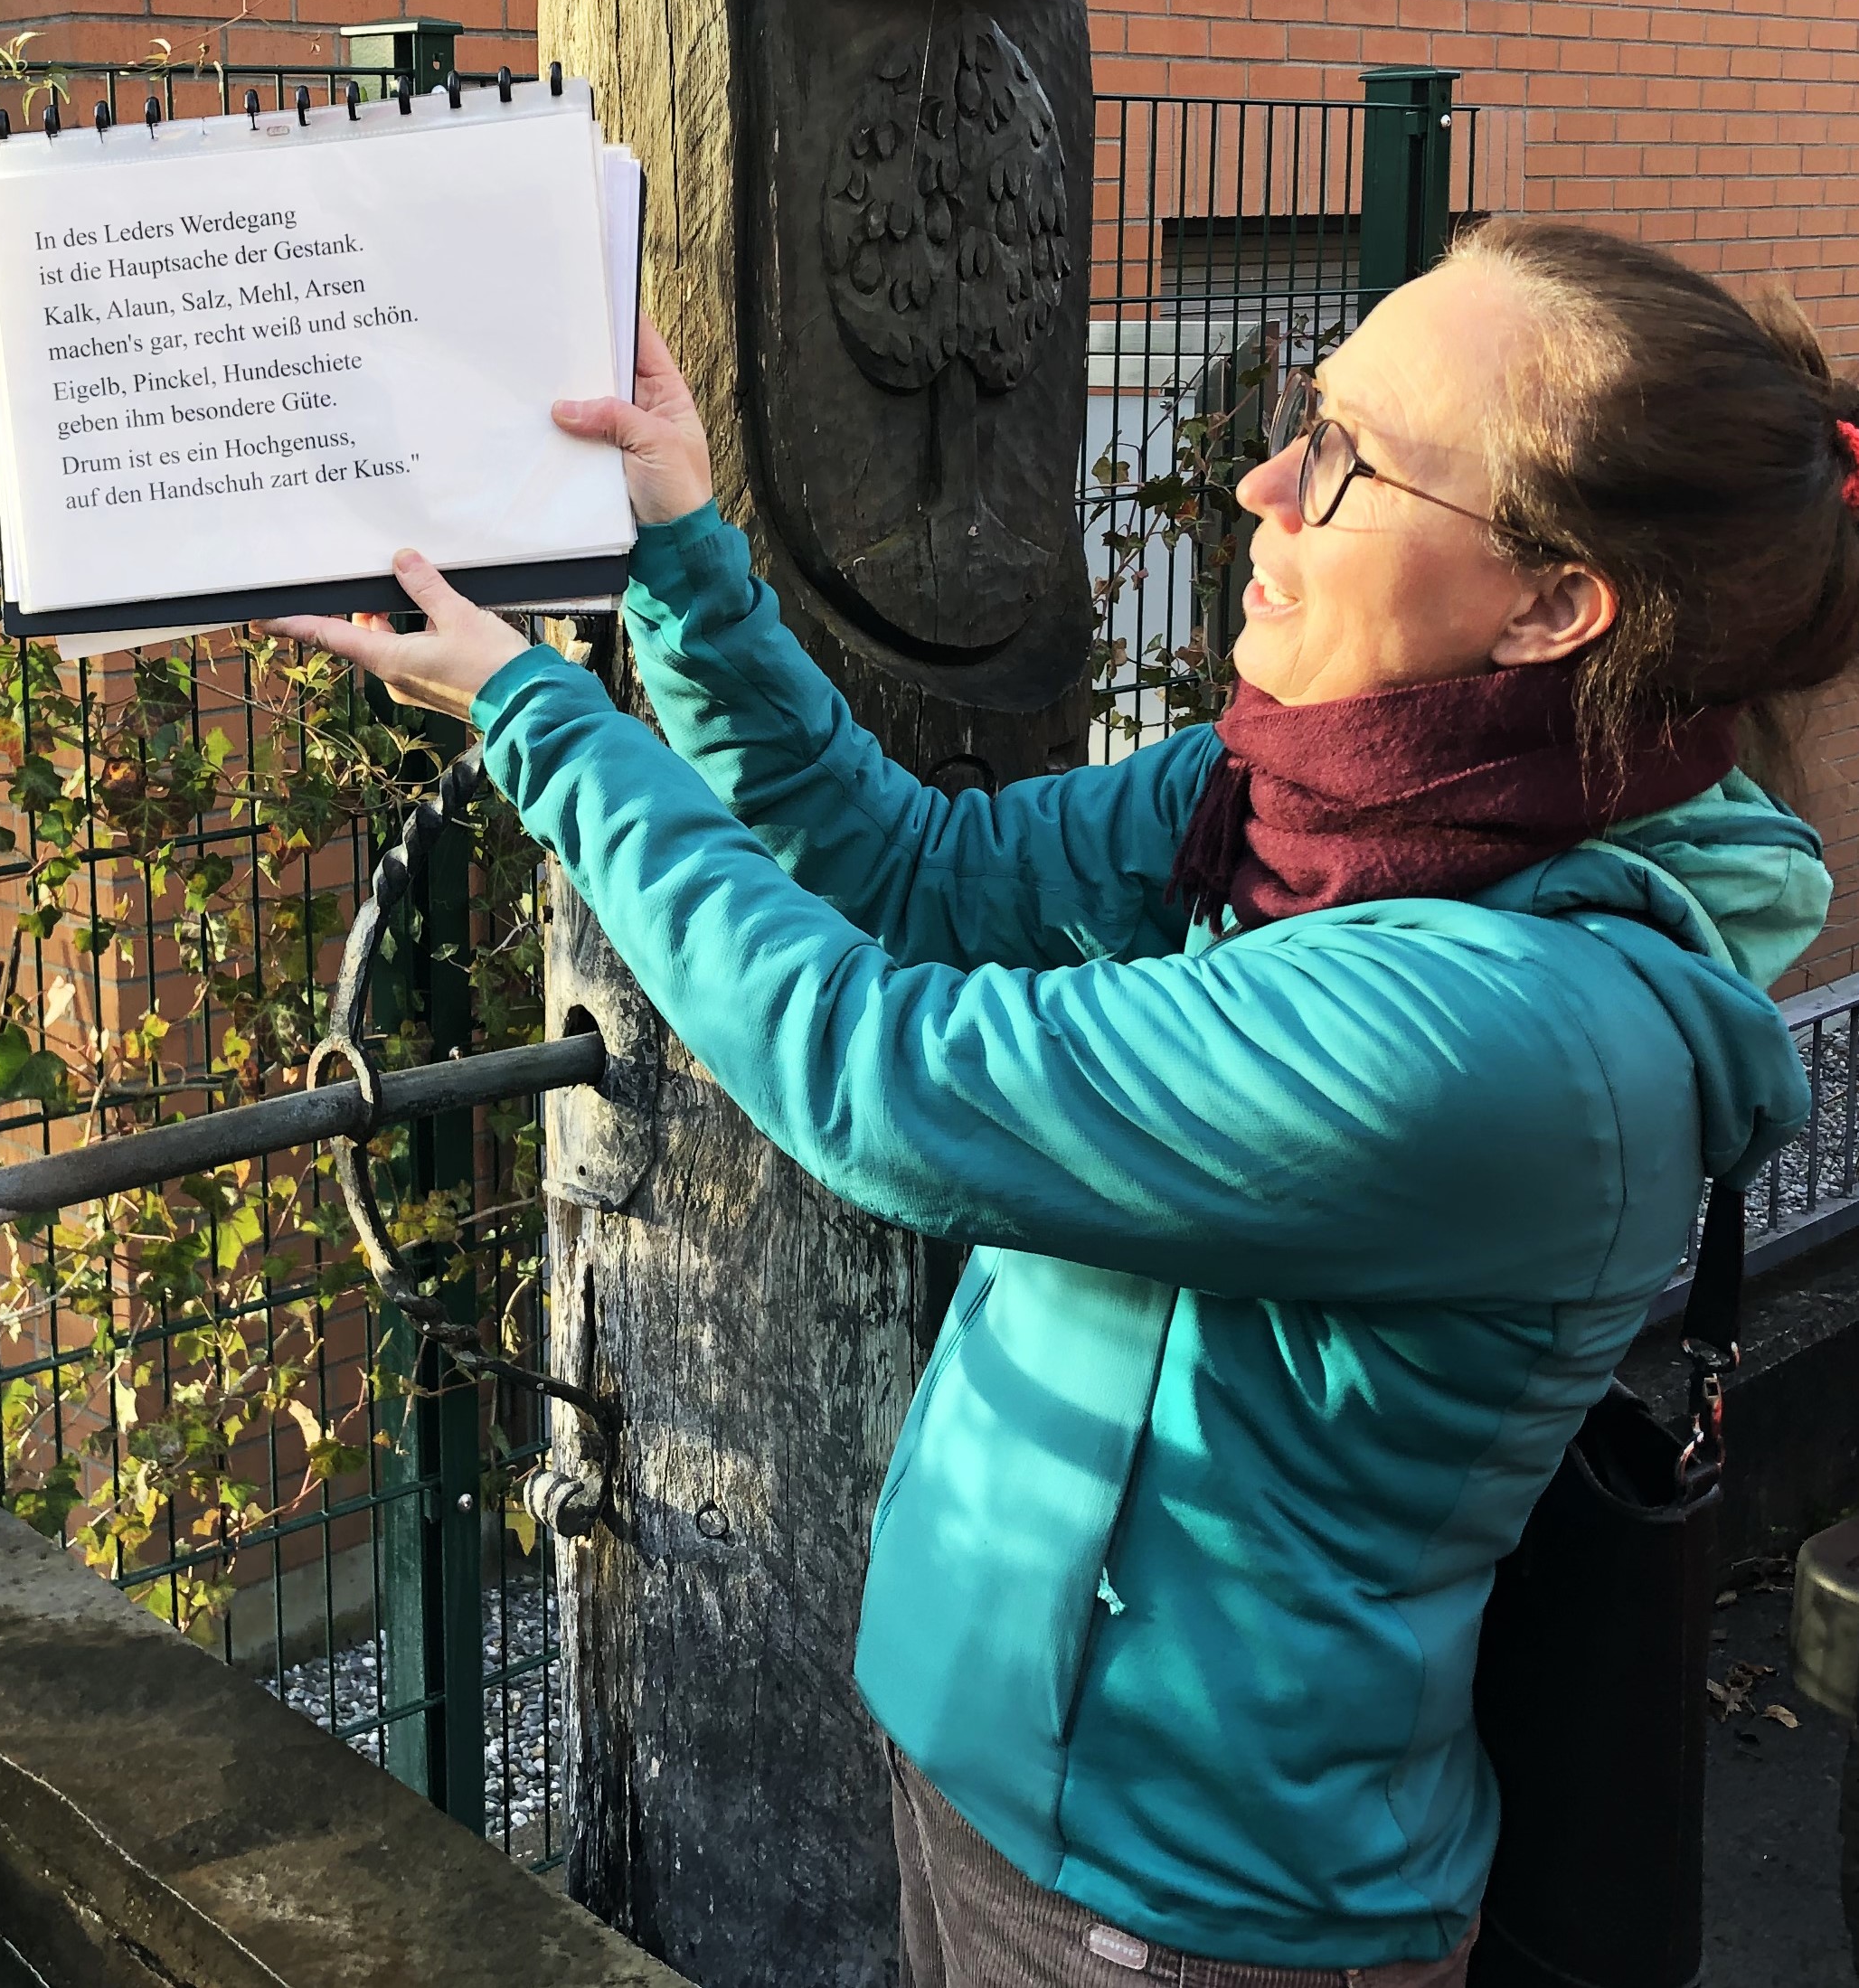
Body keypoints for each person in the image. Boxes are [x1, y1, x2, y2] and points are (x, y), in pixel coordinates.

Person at [275, 221, 1859, 1984]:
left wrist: (537, 715)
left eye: (1346, 458)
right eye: (1303, 409)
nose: (1263, 481)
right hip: (1006, 1782)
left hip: (1183, 1903)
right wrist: (676, 549)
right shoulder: (1299, 804)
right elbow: (912, 867)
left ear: (1555, 604)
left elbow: (880, 1071)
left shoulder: (1506, 1035)